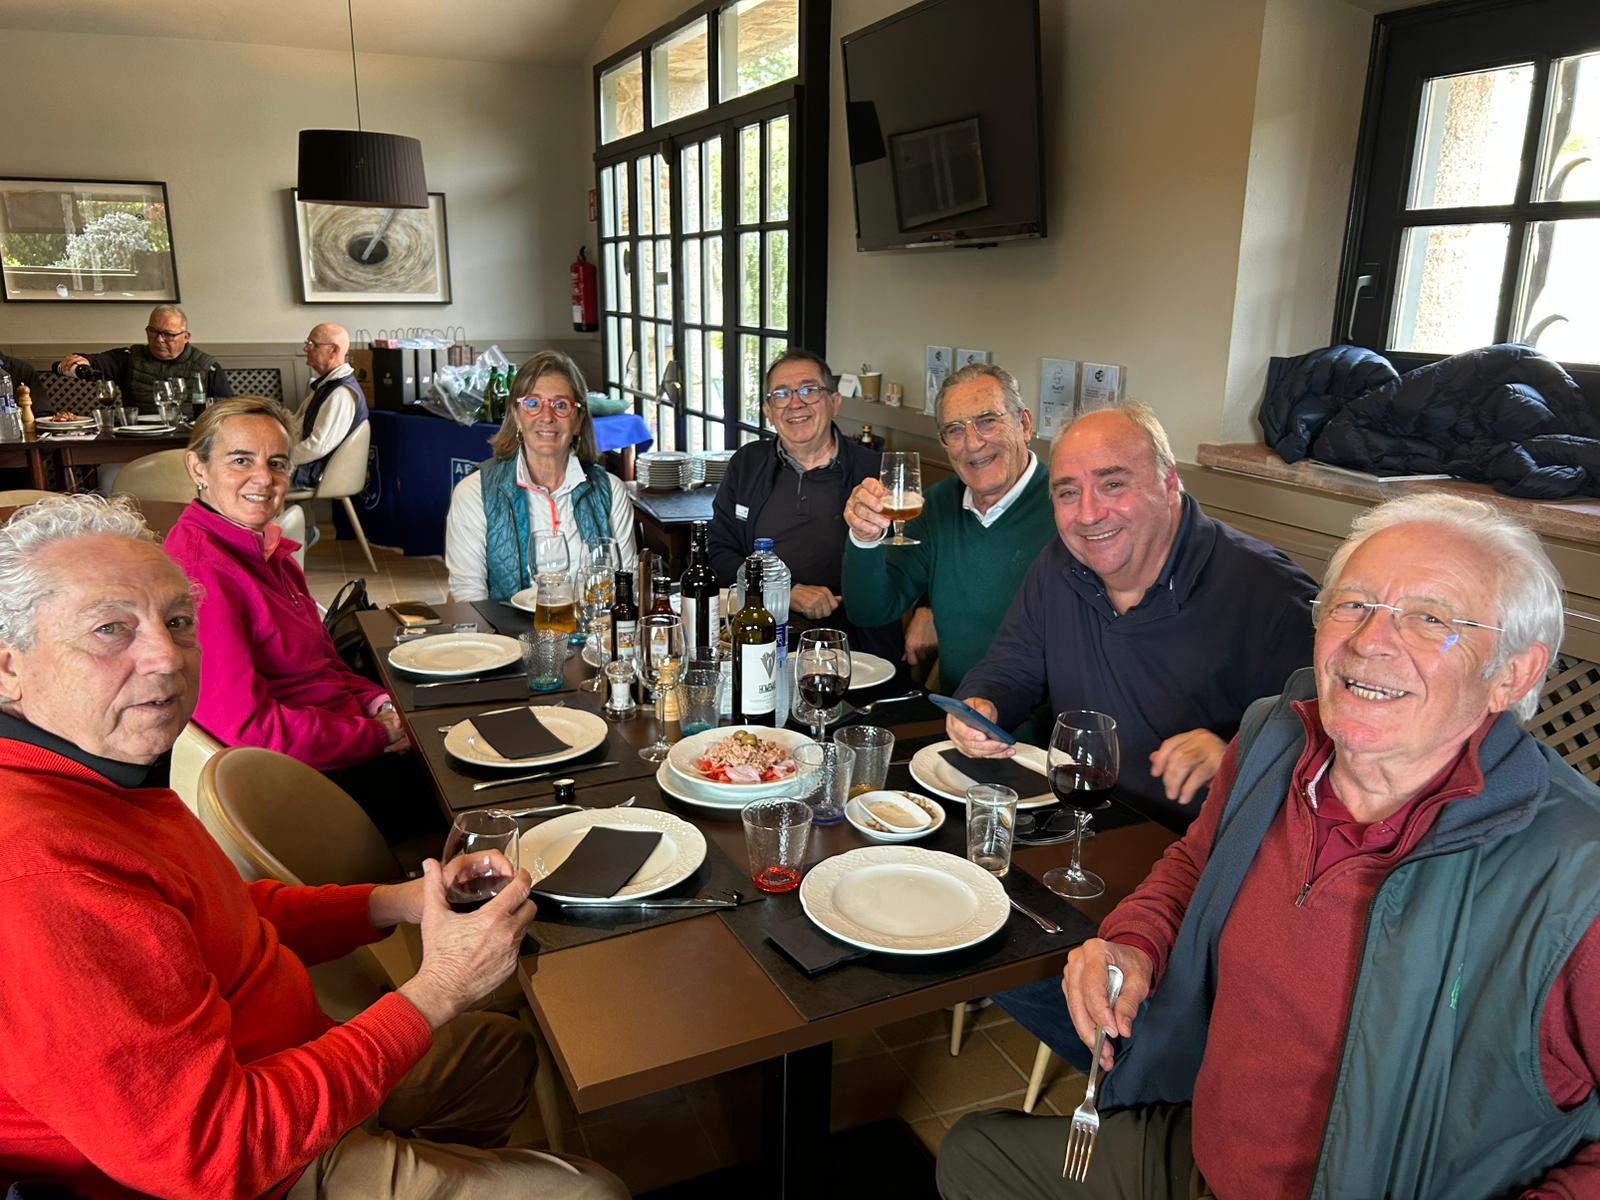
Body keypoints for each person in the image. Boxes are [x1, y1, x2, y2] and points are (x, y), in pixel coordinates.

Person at [937, 492, 1600, 1200]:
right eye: (1353, 604)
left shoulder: (1577, 879)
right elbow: (1196, 864)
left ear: (1512, 672)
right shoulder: (1274, 740)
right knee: (972, 1158)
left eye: (1430, 618)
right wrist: (1135, 942)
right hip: (1204, 1148)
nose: (1369, 640)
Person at [0, 493, 628, 1199]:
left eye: (178, 622)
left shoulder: (95, 771)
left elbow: (227, 915)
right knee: (591, 1194)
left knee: (500, 1050)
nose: (165, 658)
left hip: (290, 1058)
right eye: (110, 629)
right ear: (8, 668)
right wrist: (440, 988)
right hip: (253, 1164)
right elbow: (213, 1155)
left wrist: (400, 901)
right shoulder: (36, 869)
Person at [952, 403, 1317, 826]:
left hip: (1201, 847)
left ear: (1169, 483)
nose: (1088, 514)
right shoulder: (1057, 565)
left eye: (1113, 485)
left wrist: (1240, 752)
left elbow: (1338, 747)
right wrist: (983, 703)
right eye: (1068, 493)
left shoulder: (1270, 592)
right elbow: (1012, 666)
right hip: (1081, 821)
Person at [161, 398, 412, 818]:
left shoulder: (267, 551)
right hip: (301, 783)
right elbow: (251, 730)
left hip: (340, 741)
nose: (264, 478)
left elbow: (326, 665)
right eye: (241, 460)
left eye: (276, 463)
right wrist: (375, 734)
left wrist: (379, 704)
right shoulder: (201, 575)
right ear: (198, 468)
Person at [841, 362, 1056, 693]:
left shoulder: (1068, 509)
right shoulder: (936, 505)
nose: (972, 443)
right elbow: (869, 611)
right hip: (953, 713)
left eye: (987, 421)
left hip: (1041, 721)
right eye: (955, 430)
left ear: (1024, 424)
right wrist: (864, 537)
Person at [708, 348, 902, 658]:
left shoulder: (876, 472)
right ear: (768, 410)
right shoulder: (746, 463)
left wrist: (927, 609)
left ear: (834, 402)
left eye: (809, 390)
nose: (795, 403)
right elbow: (719, 552)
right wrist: (786, 592)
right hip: (760, 634)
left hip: (855, 644)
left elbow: (913, 556)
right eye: (781, 394)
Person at [445, 350, 636, 603]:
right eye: (533, 404)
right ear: (517, 416)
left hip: (594, 627)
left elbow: (627, 587)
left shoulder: (611, 491)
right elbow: (469, 596)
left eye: (561, 405)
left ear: (578, 421)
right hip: (504, 629)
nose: (547, 417)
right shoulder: (473, 493)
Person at [52, 303, 235, 413]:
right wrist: (84, 361)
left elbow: (230, 411)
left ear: (186, 337)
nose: (159, 339)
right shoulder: (130, 358)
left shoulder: (207, 366)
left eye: (168, 334)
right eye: (153, 332)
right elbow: (99, 362)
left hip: (188, 443)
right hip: (135, 441)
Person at [291, 322, 368, 489]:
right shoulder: (327, 386)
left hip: (313, 474)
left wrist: (279, 458)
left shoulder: (341, 393)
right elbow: (297, 425)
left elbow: (318, 446)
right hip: (306, 467)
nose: (306, 348)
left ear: (333, 350)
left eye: (312, 344)